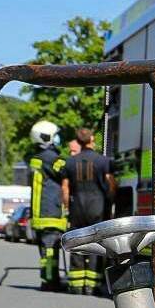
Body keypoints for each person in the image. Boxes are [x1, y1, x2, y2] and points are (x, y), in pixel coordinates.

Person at [64, 126, 115, 295]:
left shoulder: (70, 162)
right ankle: (92, 285)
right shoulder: (103, 161)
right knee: (96, 243)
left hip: (77, 207)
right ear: (92, 139)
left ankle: (76, 285)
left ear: (78, 142)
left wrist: (67, 207)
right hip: (97, 206)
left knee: (77, 241)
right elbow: (110, 183)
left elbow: (65, 188)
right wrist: (110, 200)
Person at [28, 119, 70, 291]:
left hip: (39, 215)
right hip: (51, 214)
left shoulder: (36, 159)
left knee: (45, 252)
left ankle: (48, 279)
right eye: (56, 135)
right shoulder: (51, 159)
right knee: (51, 251)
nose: (58, 138)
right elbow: (68, 170)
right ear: (47, 137)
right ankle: (50, 282)